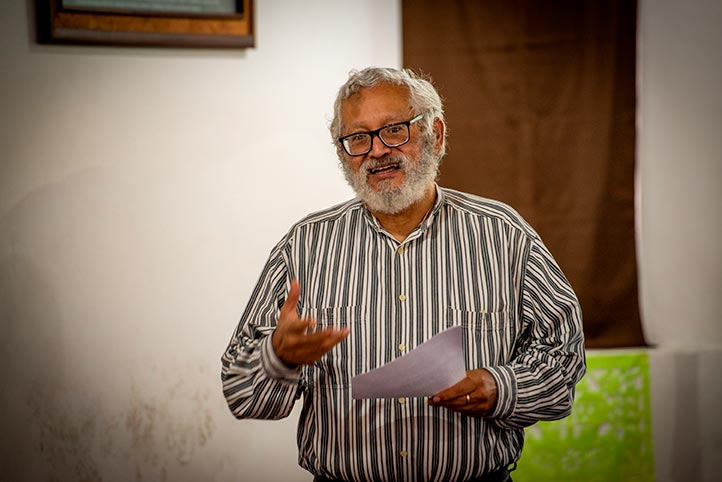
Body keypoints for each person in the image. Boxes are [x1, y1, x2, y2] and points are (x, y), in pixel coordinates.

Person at [221, 67, 585, 482]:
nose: (376, 151)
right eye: (357, 138)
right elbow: (239, 391)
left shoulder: (503, 234)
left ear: (437, 135)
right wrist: (277, 357)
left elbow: (564, 357)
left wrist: (502, 387)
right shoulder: (305, 246)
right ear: (342, 154)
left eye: (394, 130)